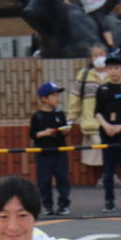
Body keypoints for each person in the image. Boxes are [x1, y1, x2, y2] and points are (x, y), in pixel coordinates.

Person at [95, 53, 121, 212]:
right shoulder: (102, 89)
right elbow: (97, 112)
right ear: (106, 70)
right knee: (108, 171)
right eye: (110, 68)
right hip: (106, 134)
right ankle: (109, 202)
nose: (113, 71)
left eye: (116, 68)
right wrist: (106, 125)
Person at [67, 44, 109, 186]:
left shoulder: (113, 73)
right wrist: (72, 116)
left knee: (110, 148)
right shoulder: (84, 74)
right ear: (91, 59)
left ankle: (108, 176)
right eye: (95, 55)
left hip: (111, 121)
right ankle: (108, 175)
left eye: (101, 54)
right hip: (91, 120)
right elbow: (76, 96)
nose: (99, 58)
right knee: (101, 146)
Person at [30, 81, 71, 216]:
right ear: (44, 99)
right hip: (43, 153)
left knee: (62, 178)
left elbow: (64, 130)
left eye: (57, 95)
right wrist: (44, 133)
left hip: (60, 151)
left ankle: (63, 204)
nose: (57, 98)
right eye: (53, 95)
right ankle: (47, 204)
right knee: (44, 180)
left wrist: (66, 130)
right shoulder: (37, 116)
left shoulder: (59, 113)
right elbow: (33, 134)